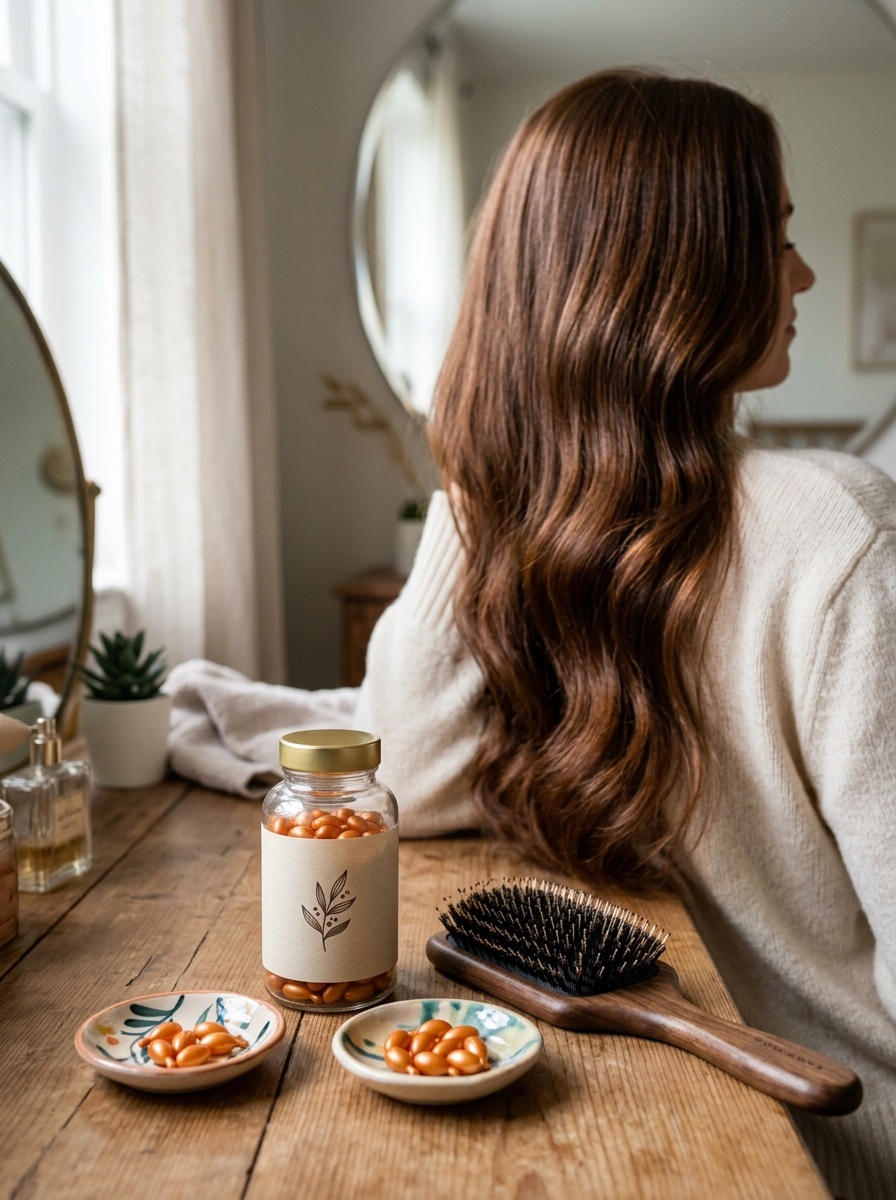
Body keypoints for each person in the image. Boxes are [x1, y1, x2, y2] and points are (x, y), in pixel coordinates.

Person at [354, 69, 895, 1198]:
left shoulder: (815, 539)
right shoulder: (833, 529)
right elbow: (408, 775)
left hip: (800, 1133)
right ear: (673, 275)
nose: (801, 273)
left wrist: (486, 475)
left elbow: (404, 773)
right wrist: (487, 484)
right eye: (773, 239)